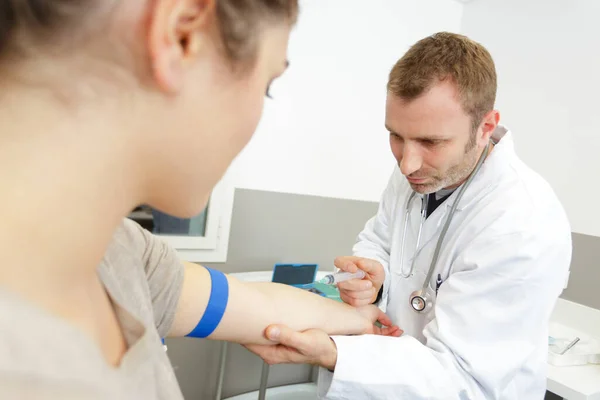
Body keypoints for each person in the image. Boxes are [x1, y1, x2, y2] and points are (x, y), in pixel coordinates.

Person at [0, 1, 401, 399]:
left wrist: (360, 320)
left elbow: (257, 304)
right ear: (181, 34)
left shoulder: (123, 255)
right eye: (267, 86)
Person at [246, 32, 572, 399]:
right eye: (396, 136)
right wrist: (375, 275)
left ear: (484, 128)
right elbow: (380, 238)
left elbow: (464, 379)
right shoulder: (416, 173)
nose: (406, 163)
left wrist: (335, 353)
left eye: (431, 142)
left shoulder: (521, 224)